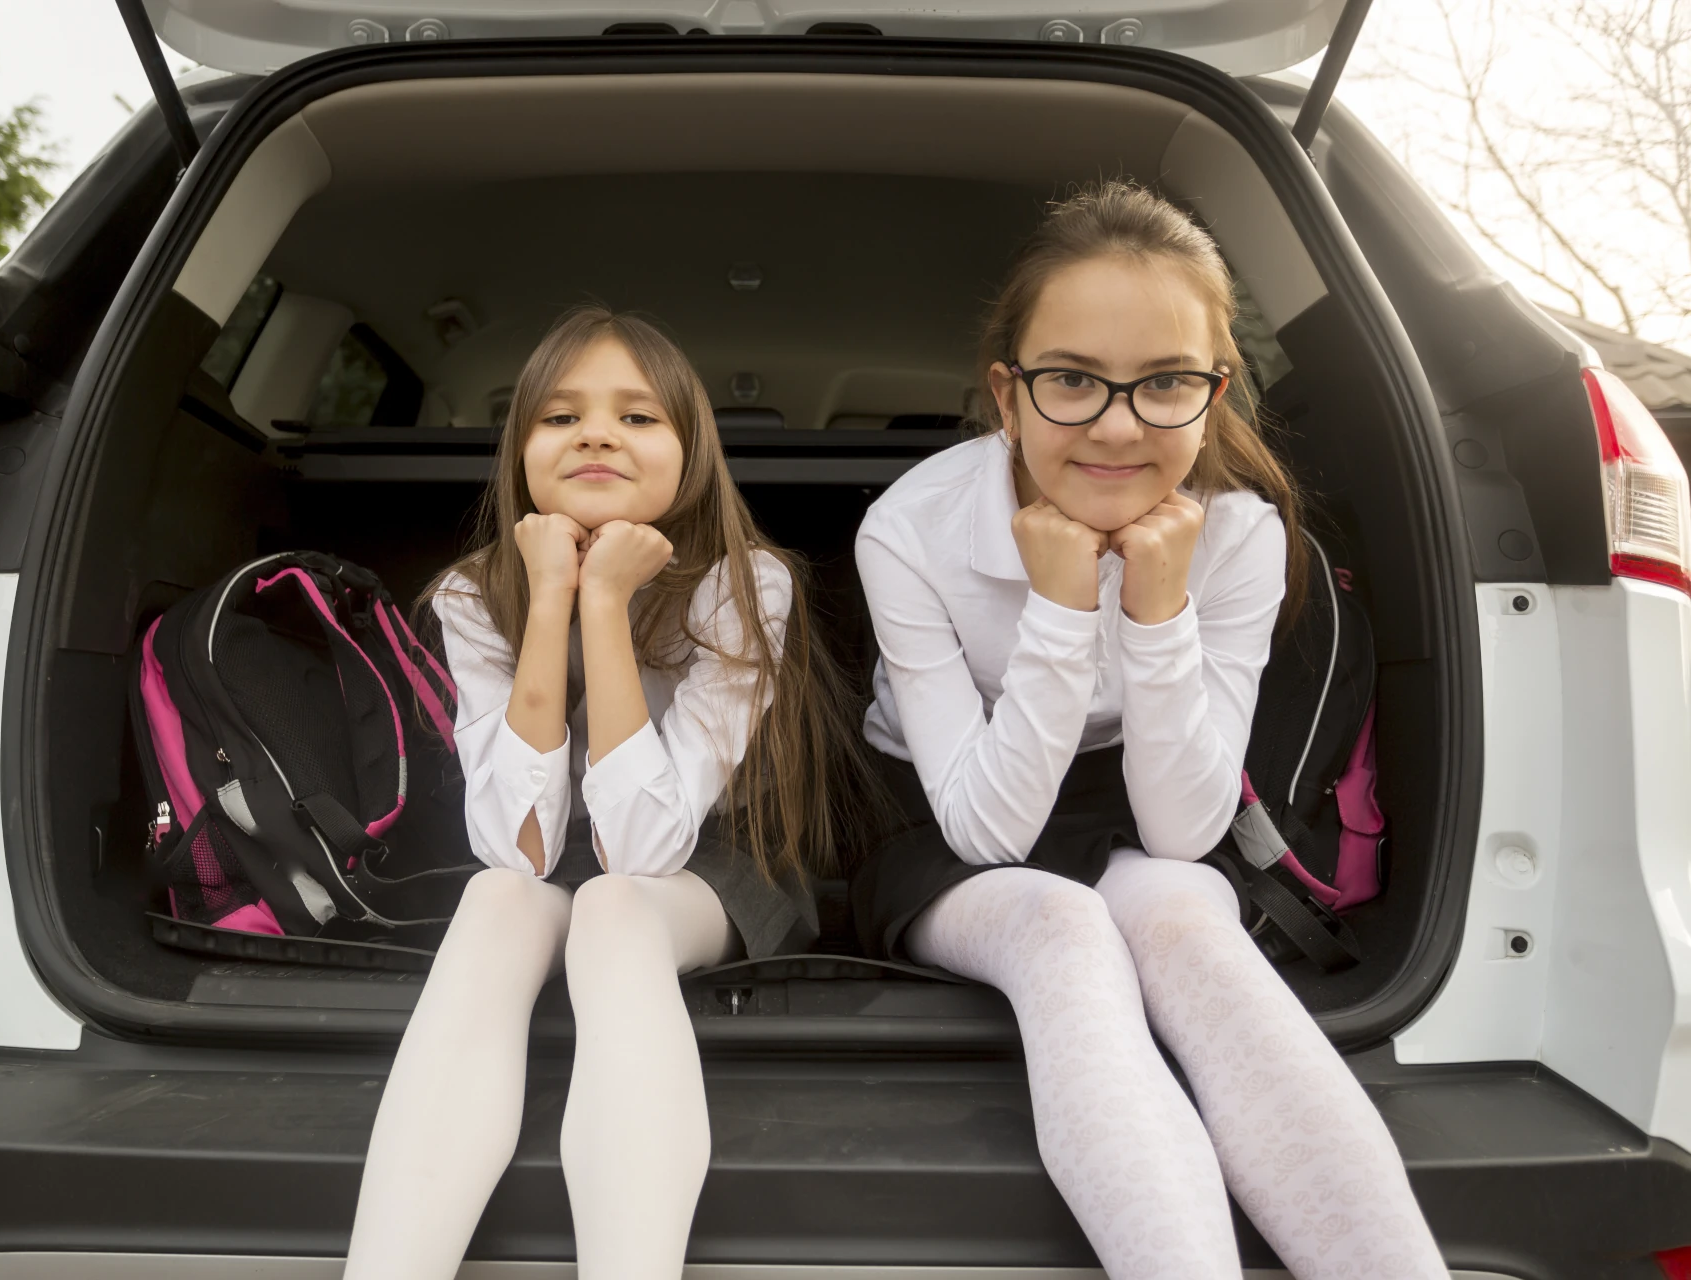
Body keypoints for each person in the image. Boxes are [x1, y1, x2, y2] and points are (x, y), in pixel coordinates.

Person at [848, 181, 1447, 1279]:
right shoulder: (911, 530)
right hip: (939, 802)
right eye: (1072, 379)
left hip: (1135, 792)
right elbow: (984, 828)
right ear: (1008, 390)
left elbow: (1178, 830)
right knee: (1062, 935)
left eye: (1165, 382)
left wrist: (1158, 606)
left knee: (1188, 918)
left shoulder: (1241, 535)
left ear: (1214, 394)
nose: (1119, 425)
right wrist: (1066, 606)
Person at [342, 305, 871, 1280]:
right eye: (560, 416)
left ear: (693, 453)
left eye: (637, 417)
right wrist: (549, 600)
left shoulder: (745, 584)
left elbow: (642, 846)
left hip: (708, 865)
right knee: (493, 896)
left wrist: (605, 605)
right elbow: (519, 844)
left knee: (616, 905)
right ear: (519, 451)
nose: (595, 432)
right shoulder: (475, 590)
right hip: (558, 853)